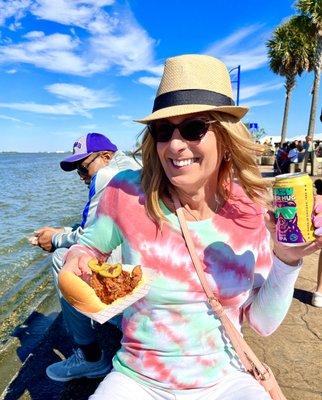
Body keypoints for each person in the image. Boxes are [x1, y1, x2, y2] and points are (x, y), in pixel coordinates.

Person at [59, 55, 322, 399]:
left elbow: (263, 323)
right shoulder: (125, 192)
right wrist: (76, 255)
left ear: (226, 138)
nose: (176, 144)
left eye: (194, 128)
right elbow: (91, 247)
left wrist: (287, 259)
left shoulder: (252, 209)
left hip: (227, 378)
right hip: (138, 378)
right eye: (164, 130)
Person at [31, 132, 140, 381]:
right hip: (148, 282)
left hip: (133, 301)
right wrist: (65, 231)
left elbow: (89, 239)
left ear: (105, 157)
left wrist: (56, 238)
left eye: (83, 168)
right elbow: (97, 228)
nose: (81, 177)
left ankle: (90, 357)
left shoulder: (107, 175)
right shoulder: (134, 167)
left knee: (62, 258)